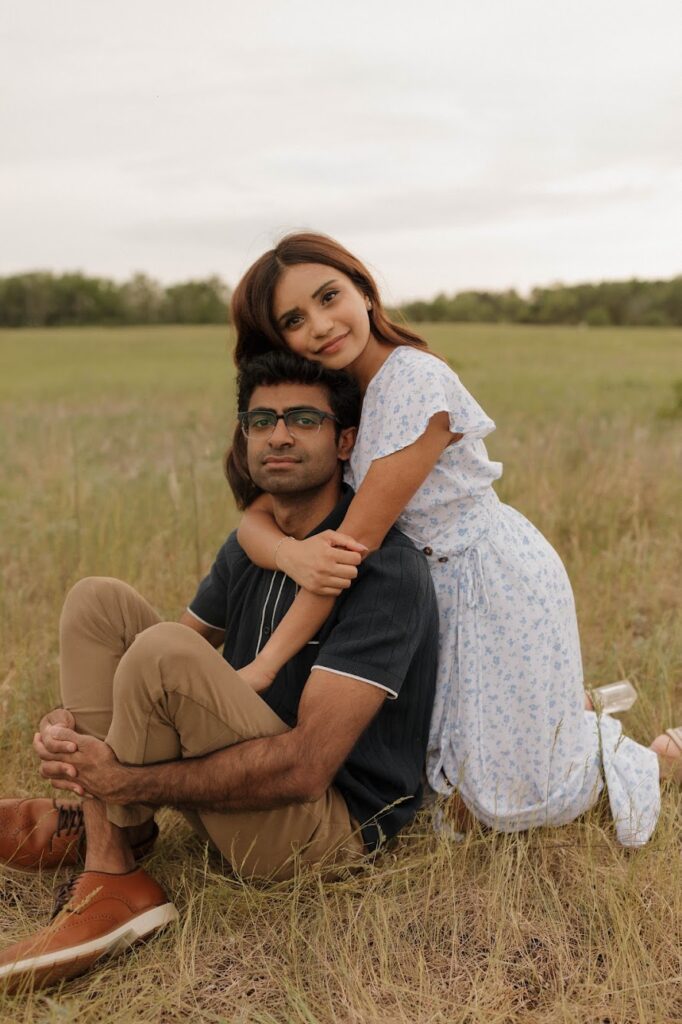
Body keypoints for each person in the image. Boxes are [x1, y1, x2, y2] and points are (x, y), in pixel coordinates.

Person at [0, 351, 439, 991]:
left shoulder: (385, 570)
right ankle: (120, 836)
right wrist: (71, 727)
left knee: (161, 653)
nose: (278, 434)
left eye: (302, 419)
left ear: (345, 441)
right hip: (241, 780)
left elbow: (304, 768)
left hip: (321, 828)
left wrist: (121, 776)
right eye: (261, 420)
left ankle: (114, 878)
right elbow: (171, 649)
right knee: (99, 603)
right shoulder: (255, 542)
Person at [228, 231, 681, 849]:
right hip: (429, 591)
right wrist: (289, 552)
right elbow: (254, 514)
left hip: (489, 582)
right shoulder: (342, 396)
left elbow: (348, 553)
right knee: (448, 800)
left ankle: (652, 759)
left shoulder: (416, 382)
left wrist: (262, 667)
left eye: (330, 296)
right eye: (294, 320)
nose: (321, 325)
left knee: (503, 804)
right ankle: (566, 712)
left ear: (362, 288)